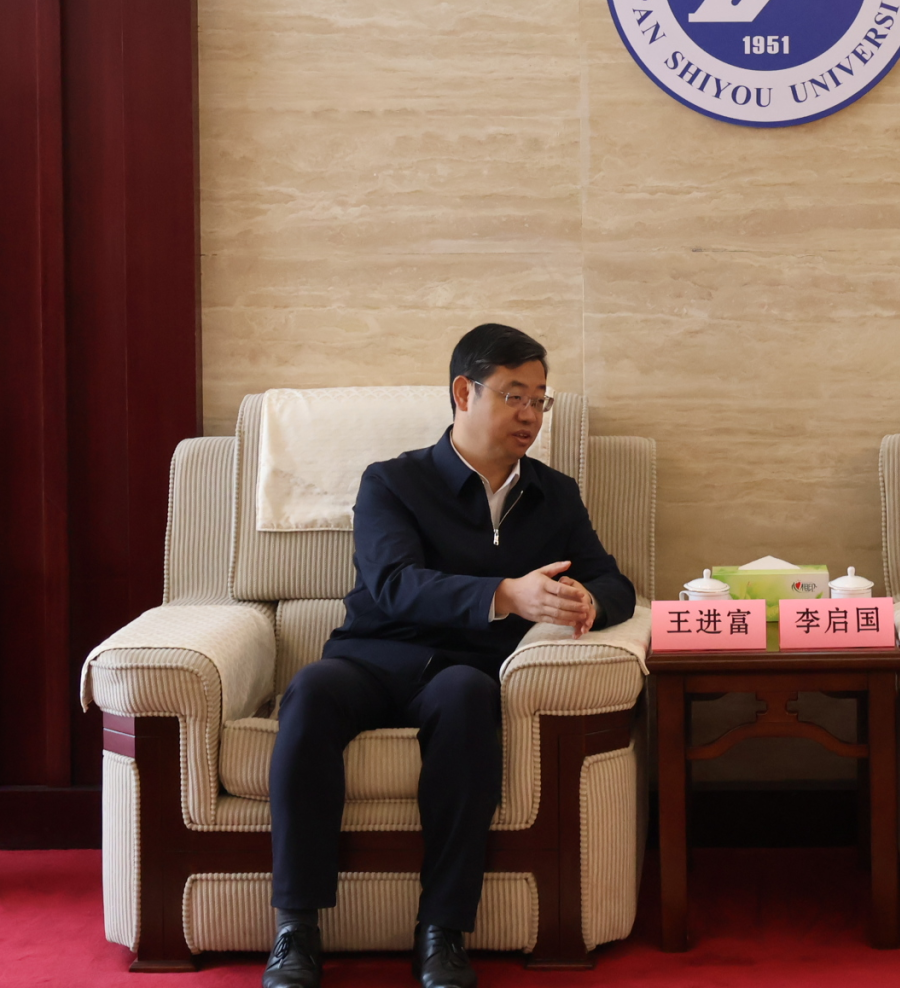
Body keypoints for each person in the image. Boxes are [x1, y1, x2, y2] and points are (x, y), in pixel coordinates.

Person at [262, 324, 636, 988]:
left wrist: (587, 600)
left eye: (540, 399)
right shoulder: (392, 481)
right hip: (374, 657)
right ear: (465, 392)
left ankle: (442, 931)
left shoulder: (553, 494)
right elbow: (393, 583)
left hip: (466, 670)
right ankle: (296, 928)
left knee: (466, 696)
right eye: (514, 395)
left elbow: (615, 582)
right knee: (311, 691)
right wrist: (506, 594)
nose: (530, 414)